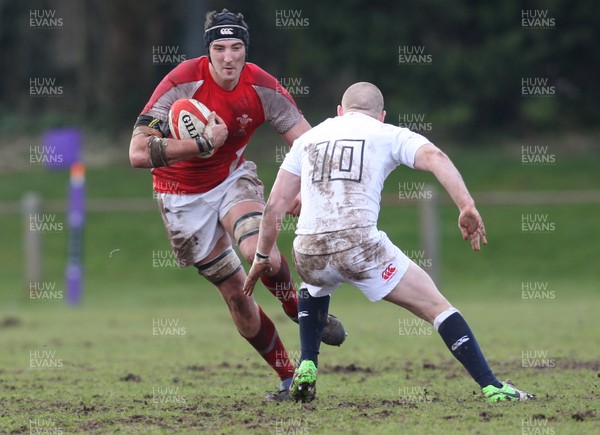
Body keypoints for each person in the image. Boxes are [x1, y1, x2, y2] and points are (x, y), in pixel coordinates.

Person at [243, 82, 535, 403]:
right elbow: (435, 157)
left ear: (340, 111)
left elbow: (273, 207)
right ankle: (492, 386)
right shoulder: (389, 134)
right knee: (437, 307)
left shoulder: (309, 138)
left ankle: (308, 364)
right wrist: (466, 205)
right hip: (359, 246)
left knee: (313, 284)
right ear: (381, 116)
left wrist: (261, 255)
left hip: (308, 249)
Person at [128, 9, 346, 401]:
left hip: (231, 179)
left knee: (257, 250)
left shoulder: (262, 87)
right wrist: (201, 144)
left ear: (246, 49)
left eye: (236, 47)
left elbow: (309, 145)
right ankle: (288, 377)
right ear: (207, 52)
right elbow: (138, 153)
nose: (229, 57)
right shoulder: (180, 84)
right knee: (235, 295)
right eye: (219, 48)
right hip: (180, 198)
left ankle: (295, 307)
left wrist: (305, 190)